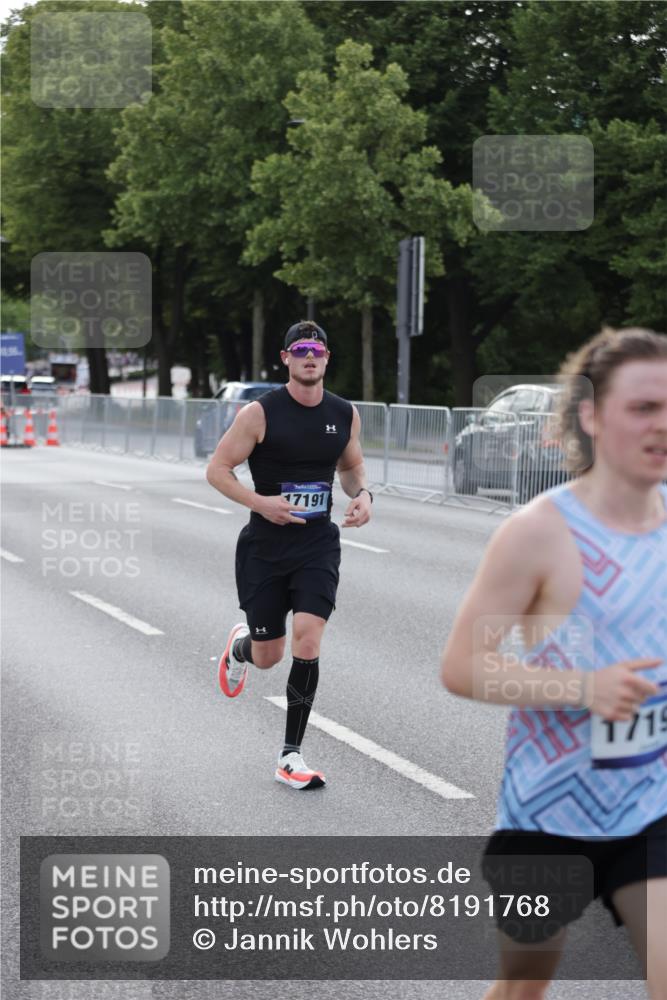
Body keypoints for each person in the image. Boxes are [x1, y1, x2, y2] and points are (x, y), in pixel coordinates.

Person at [440, 327, 667, 999]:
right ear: (591, 415)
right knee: (524, 984)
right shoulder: (538, 532)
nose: (660, 423)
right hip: (547, 812)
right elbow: (462, 665)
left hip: (647, 805)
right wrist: (582, 687)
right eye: (641, 407)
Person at [206, 320, 372, 790]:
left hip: (317, 544)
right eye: (300, 348)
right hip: (265, 547)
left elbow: (352, 466)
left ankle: (290, 756)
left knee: (308, 639)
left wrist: (363, 495)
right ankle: (240, 648)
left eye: (317, 349)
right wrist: (262, 504)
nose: (309, 356)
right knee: (268, 656)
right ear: (286, 358)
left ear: (326, 358)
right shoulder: (259, 414)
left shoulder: (344, 413)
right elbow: (218, 470)